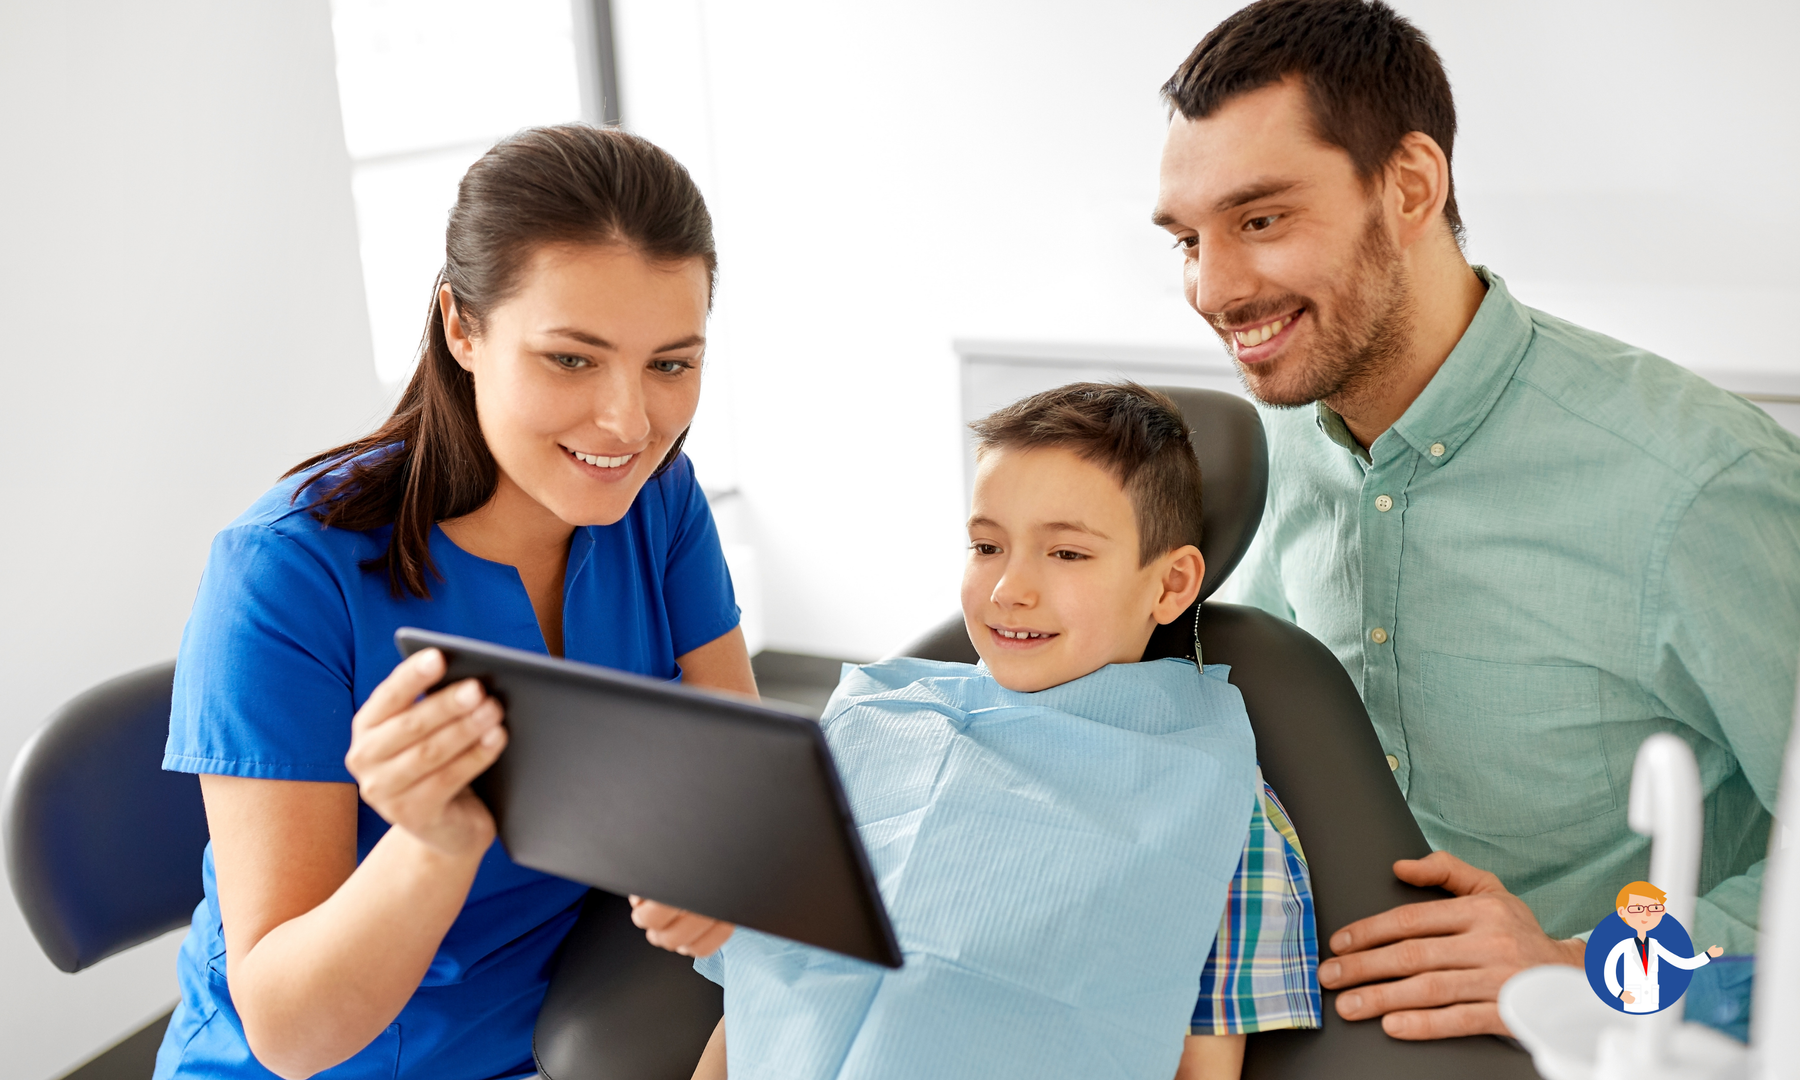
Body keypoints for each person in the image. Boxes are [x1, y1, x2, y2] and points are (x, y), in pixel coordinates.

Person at [1151, 0, 1800, 1042]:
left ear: (1410, 185)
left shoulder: (1699, 483)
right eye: (1189, 238)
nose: (1213, 287)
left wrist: (1580, 966)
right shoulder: (1261, 462)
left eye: (1261, 219)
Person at [154, 125, 757, 1080]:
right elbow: (291, 1035)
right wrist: (433, 844)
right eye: (572, 359)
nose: (630, 422)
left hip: (569, 1014)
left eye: (672, 364)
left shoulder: (658, 502)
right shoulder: (284, 574)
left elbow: (737, 783)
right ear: (462, 326)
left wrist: (720, 864)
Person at [638, 383, 1321, 1080]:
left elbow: (1204, 1062)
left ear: (1172, 584)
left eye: (1067, 555)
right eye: (987, 545)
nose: (1008, 589)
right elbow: (761, 994)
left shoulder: (1222, 804)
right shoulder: (870, 728)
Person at [1603, 881, 1723, 1014]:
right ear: (1622, 912)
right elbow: (1608, 971)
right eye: (1637, 909)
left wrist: (1707, 955)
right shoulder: (1620, 946)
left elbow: (1681, 962)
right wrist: (1620, 993)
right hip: (1628, 1004)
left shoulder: (1656, 944)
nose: (1646, 915)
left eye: (1654, 909)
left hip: (1654, 1004)